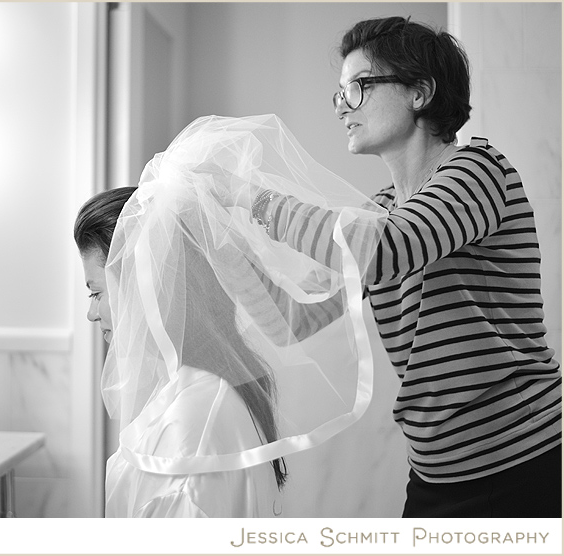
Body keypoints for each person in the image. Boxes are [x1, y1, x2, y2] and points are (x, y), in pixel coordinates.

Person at [248, 16, 561, 517]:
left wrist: (256, 201)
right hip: (435, 470)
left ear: (420, 92)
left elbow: (389, 250)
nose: (343, 107)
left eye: (359, 87)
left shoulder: (479, 170)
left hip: (519, 457)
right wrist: (222, 242)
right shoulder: (380, 212)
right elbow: (291, 319)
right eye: (340, 94)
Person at [74, 115, 389, 518]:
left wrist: (243, 196)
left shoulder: (191, 428)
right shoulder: (210, 392)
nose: (90, 312)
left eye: (96, 292)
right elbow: (286, 316)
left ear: (143, 286)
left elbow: (382, 248)